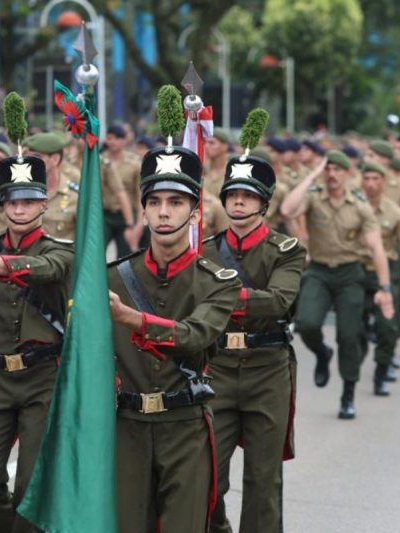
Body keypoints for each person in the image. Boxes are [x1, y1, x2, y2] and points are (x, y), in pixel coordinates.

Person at [108, 141, 241, 532]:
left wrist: (129, 317)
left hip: (184, 423)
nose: (164, 211)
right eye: (155, 201)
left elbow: (195, 335)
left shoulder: (218, 282)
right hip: (127, 425)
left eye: (177, 202)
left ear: (196, 212)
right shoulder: (113, 276)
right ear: (144, 208)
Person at [0, 150, 74, 533]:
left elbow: (48, 269)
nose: (21, 208)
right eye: (14, 200)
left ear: (44, 203)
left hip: (42, 377)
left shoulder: (57, 250)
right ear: (3, 203)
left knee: (30, 483)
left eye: (29, 201)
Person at [203, 133, 305, 533]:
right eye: (232, 195)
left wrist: (220, 295)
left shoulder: (287, 250)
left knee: (263, 480)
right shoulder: (205, 250)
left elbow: (278, 301)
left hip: (267, 368)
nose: (239, 201)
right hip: (218, 367)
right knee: (208, 473)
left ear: (265, 202)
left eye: (248, 195)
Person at [280, 150, 393, 419]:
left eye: (337, 170)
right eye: (328, 170)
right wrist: (312, 175)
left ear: (347, 174)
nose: (332, 175)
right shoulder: (314, 197)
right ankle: (322, 353)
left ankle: (348, 394)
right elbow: (286, 210)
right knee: (306, 324)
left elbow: (377, 248)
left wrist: (385, 290)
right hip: (318, 271)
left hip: (349, 274)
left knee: (348, 334)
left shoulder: (360, 206)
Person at [358, 162, 400, 396]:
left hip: (387, 272)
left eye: (376, 179)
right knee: (353, 326)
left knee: (388, 327)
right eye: (367, 179)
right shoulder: (353, 207)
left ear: (384, 182)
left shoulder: (396, 213)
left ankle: (381, 373)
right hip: (357, 270)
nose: (371, 184)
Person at [100, 124, 140, 257]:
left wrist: (137, 224)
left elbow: (140, 195)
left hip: (126, 217)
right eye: (109, 138)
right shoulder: (100, 160)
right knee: (97, 253)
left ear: (124, 140)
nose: (113, 142)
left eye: (117, 138)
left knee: (124, 258)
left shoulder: (134, 163)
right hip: (105, 215)